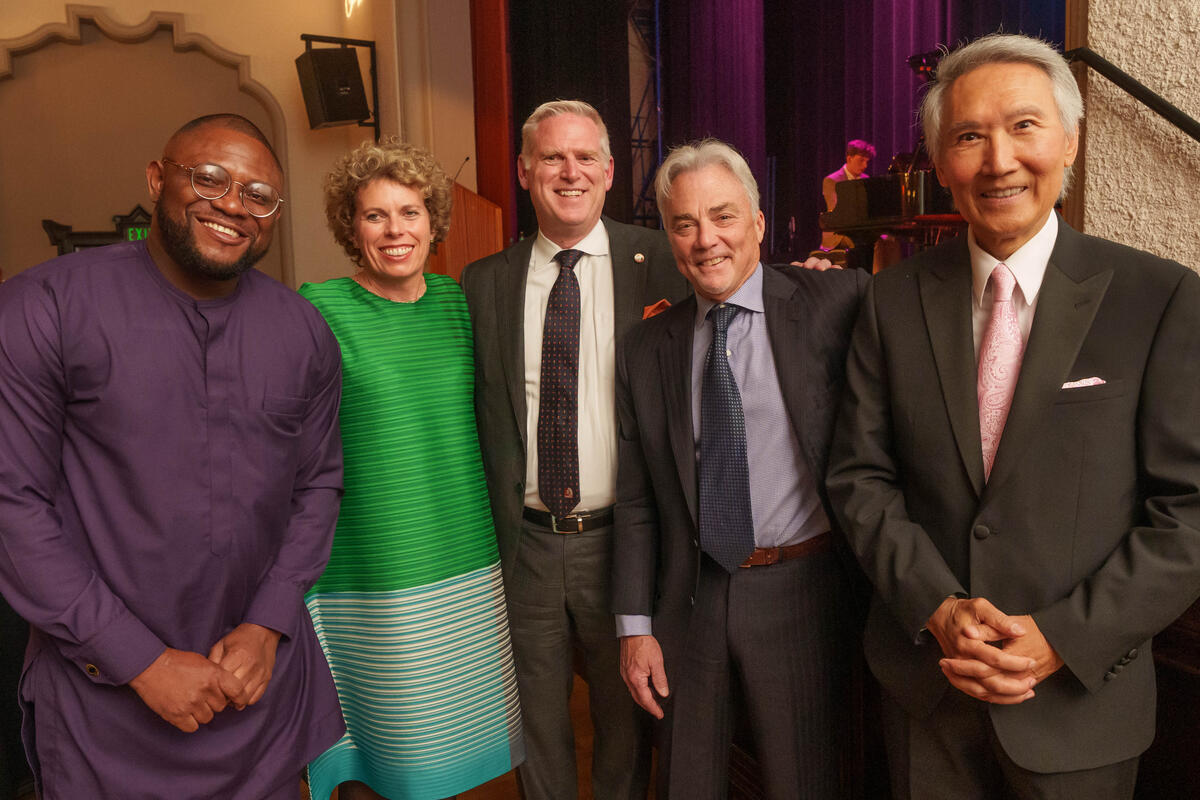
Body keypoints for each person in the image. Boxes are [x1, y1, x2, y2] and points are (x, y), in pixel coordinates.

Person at [826, 33, 1200, 800]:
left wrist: (1060, 638)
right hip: (926, 690)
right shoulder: (891, 299)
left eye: (1024, 126)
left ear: (1069, 139)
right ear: (940, 163)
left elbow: (1189, 513)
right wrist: (937, 606)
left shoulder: (1158, 299)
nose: (998, 160)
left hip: (1079, 708)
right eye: (969, 136)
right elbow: (860, 477)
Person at [0, 113, 345, 799]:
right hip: (104, 707)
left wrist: (267, 625)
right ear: (158, 180)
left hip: (259, 693)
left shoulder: (301, 329)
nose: (232, 206)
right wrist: (142, 662)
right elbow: (13, 507)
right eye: (209, 178)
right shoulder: (43, 308)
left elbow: (319, 487)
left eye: (257, 195)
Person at [613, 139, 868, 797]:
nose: (706, 240)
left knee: (801, 783)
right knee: (686, 784)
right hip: (691, 598)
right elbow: (638, 500)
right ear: (669, 236)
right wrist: (635, 627)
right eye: (685, 223)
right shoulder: (646, 347)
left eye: (723, 216)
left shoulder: (835, 304)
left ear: (757, 223)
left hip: (803, 592)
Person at [460, 99, 688, 799]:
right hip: (525, 544)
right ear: (524, 171)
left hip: (624, 542)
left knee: (626, 719)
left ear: (610, 172)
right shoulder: (483, 283)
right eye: (552, 157)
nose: (570, 171)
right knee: (533, 723)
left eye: (585, 156)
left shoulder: (661, 268)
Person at [299, 137, 523, 800]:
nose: (395, 230)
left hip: (464, 555)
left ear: (434, 222)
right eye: (375, 215)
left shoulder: (461, 303)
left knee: (448, 749)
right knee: (377, 749)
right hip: (369, 564)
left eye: (410, 211)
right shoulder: (319, 307)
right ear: (351, 226)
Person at [820, 139, 876, 251]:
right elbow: (836, 212)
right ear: (849, 158)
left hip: (861, 229)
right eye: (861, 160)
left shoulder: (867, 179)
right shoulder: (831, 181)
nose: (865, 165)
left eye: (867, 161)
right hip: (838, 233)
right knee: (863, 242)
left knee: (888, 242)